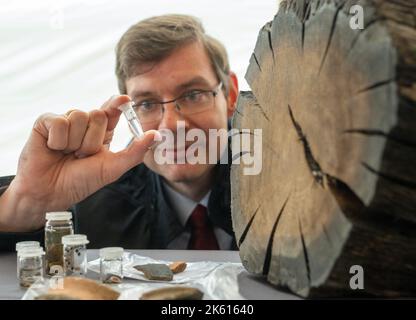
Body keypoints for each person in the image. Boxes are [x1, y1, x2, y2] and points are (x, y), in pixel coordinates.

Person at [0, 14, 239, 251]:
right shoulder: (90, 201)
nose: (171, 125)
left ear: (230, 95)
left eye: (193, 95)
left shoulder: (270, 172)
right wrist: (23, 206)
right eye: (146, 104)